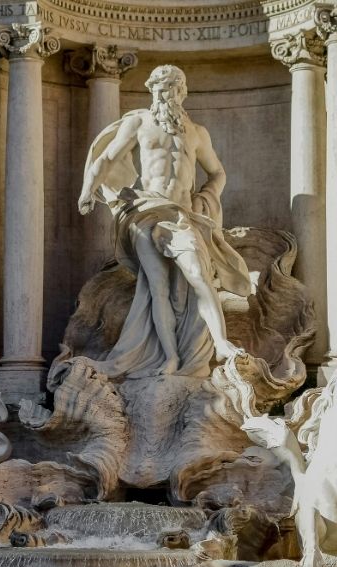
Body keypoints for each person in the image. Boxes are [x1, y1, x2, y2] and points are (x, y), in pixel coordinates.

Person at [77, 65, 252, 379]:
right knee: (156, 286)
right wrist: (87, 191)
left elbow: (218, 173)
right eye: (158, 89)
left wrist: (207, 197)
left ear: (181, 92)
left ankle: (221, 343)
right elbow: (107, 158)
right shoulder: (139, 122)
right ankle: (169, 357)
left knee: (199, 274)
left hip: (181, 214)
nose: (163, 95)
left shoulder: (197, 133)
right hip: (146, 210)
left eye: (170, 89)